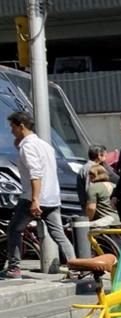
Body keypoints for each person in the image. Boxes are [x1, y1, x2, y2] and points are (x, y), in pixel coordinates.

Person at [1, 111, 76, 280]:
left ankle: (14, 268)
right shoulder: (45, 145)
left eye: (13, 127)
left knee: (14, 229)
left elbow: (36, 174)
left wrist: (35, 200)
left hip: (32, 198)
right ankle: (76, 266)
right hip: (52, 197)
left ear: (21, 126)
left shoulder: (28, 147)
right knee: (59, 234)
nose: (11, 131)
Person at [76, 144, 117, 210]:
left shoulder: (91, 167)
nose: (106, 158)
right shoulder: (91, 168)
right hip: (93, 208)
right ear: (99, 156)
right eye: (105, 156)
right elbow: (89, 190)